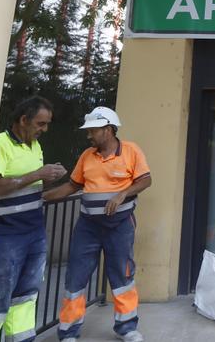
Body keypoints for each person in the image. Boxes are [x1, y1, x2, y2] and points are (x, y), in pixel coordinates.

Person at [45, 107, 151, 342]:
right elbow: (72, 186)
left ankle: (127, 328)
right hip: (88, 227)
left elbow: (145, 180)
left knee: (122, 276)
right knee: (76, 277)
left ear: (108, 129)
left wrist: (122, 194)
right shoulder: (87, 156)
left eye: (93, 130)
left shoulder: (131, 151)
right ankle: (68, 331)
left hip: (120, 225)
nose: (89, 135)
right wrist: (41, 198)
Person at [0, 96, 67, 342]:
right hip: (3, 236)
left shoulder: (34, 146)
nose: (44, 130)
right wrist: (37, 173)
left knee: (26, 297)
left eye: (47, 124)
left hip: (34, 233)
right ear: (23, 120)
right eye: (40, 123)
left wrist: (48, 176)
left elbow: (29, 184)